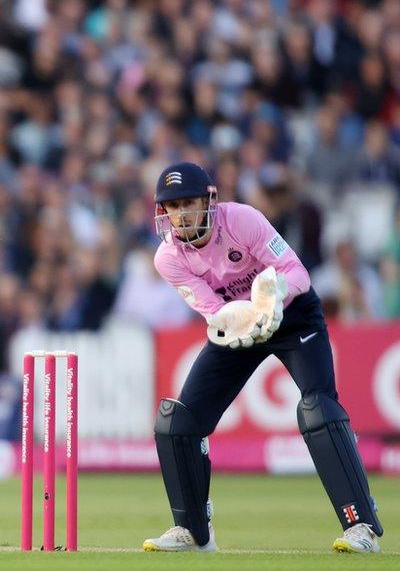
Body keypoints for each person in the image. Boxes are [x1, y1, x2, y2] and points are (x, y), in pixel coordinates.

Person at [144, 162, 384, 553]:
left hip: (292, 315)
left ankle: (362, 528)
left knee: (318, 409)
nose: (180, 214)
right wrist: (244, 317)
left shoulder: (243, 220)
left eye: (187, 203)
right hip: (240, 325)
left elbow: (297, 272)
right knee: (178, 422)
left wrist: (272, 296)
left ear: (209, 201)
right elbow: (212, 312)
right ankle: (192, 532)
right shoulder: (168, 258)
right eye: (171, 207)